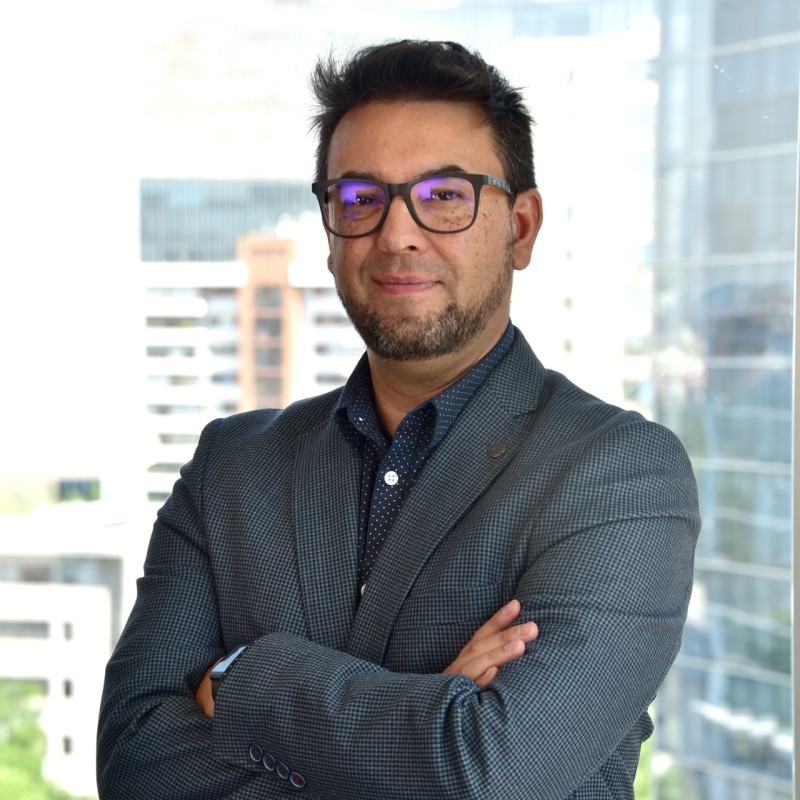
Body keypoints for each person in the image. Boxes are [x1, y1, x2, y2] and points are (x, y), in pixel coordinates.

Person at [97, 40, 700, 799]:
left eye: (444, 195)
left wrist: (243, 679)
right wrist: (430, 721)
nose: (396, 234)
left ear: (520, 228)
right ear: (329, 230)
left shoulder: (619, 474)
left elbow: (490, 773)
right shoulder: (231, 468)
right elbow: (136, 765)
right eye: (359, 198)